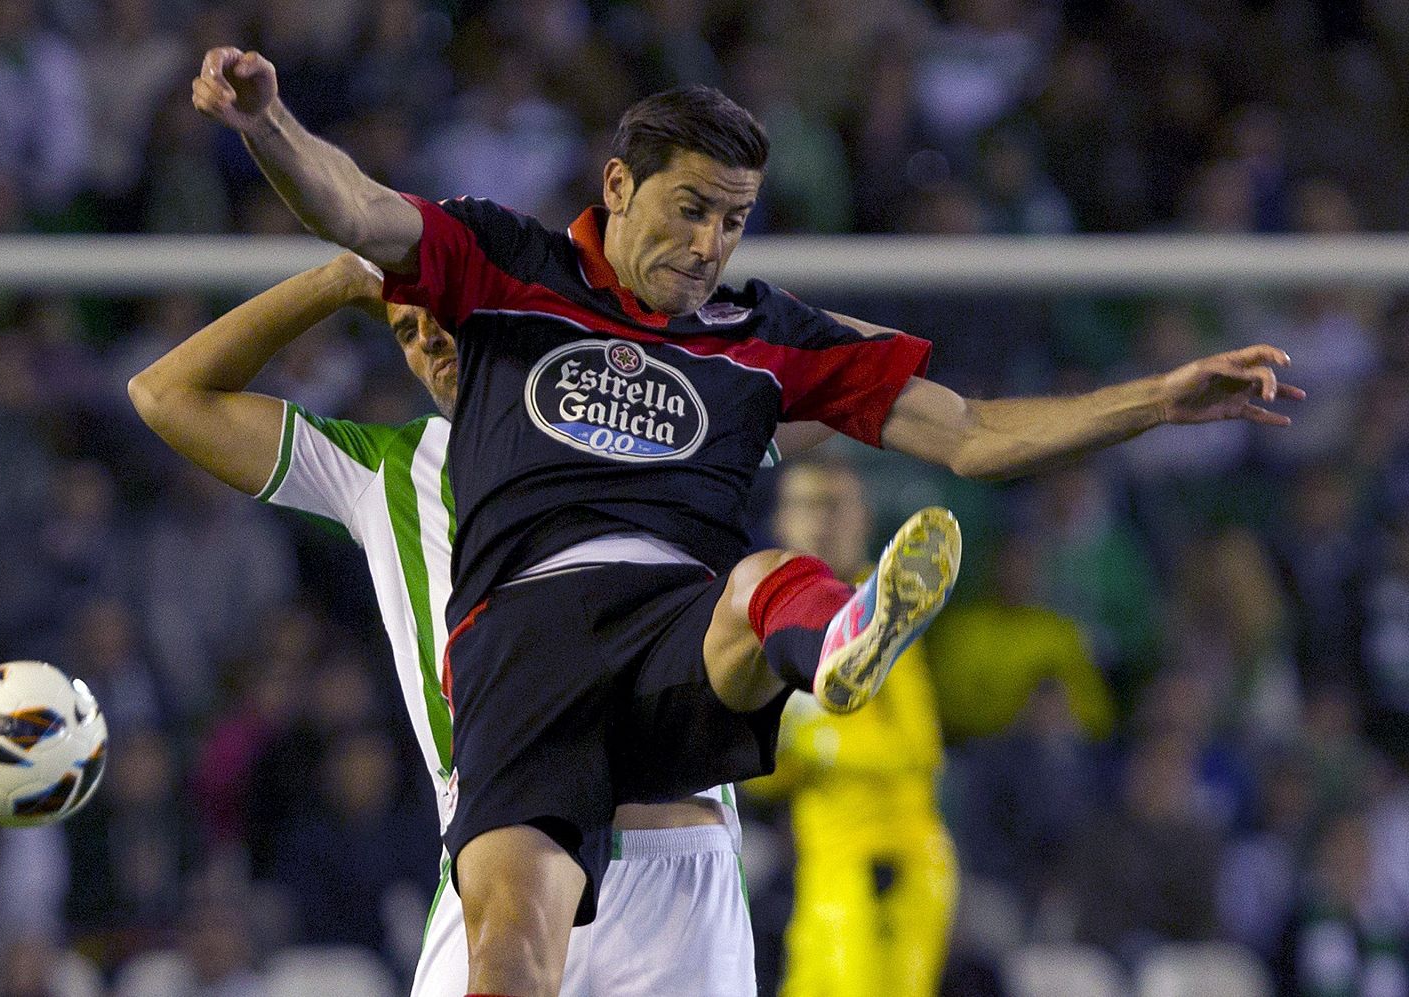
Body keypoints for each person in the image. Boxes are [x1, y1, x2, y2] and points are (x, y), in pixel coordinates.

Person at [192, 48, 1302, 996]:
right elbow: (355, 206)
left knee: (762, 578)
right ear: (618, 186)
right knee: (512, 954)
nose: (711, 242)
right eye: (691, 209)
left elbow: (968, 432)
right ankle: (823, 638)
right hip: (524, 642)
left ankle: (839, 642)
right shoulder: (504, 265)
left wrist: (1154, 400)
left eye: (734, 220)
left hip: (674, 622)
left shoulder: (765, 337)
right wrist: (266, 122)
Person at [130, 252, 815, 993]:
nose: (431, 344)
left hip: (673, 858)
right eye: (407, 330)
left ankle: (821, 628)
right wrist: (341, 281)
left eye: (451, 319)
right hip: (496, 853)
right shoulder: (388, 470)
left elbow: (832, 387)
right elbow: (167, 394)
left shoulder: (639, 427)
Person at [748, 456, 956, 996]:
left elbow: (919, 747)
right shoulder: (778, 623)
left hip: (888, 866)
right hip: (825, 868)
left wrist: (815, 739)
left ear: (863, 520)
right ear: (781, 523)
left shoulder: (882, 609)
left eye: (834, 506)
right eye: (805, 506)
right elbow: (763, 779)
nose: (819, 522)